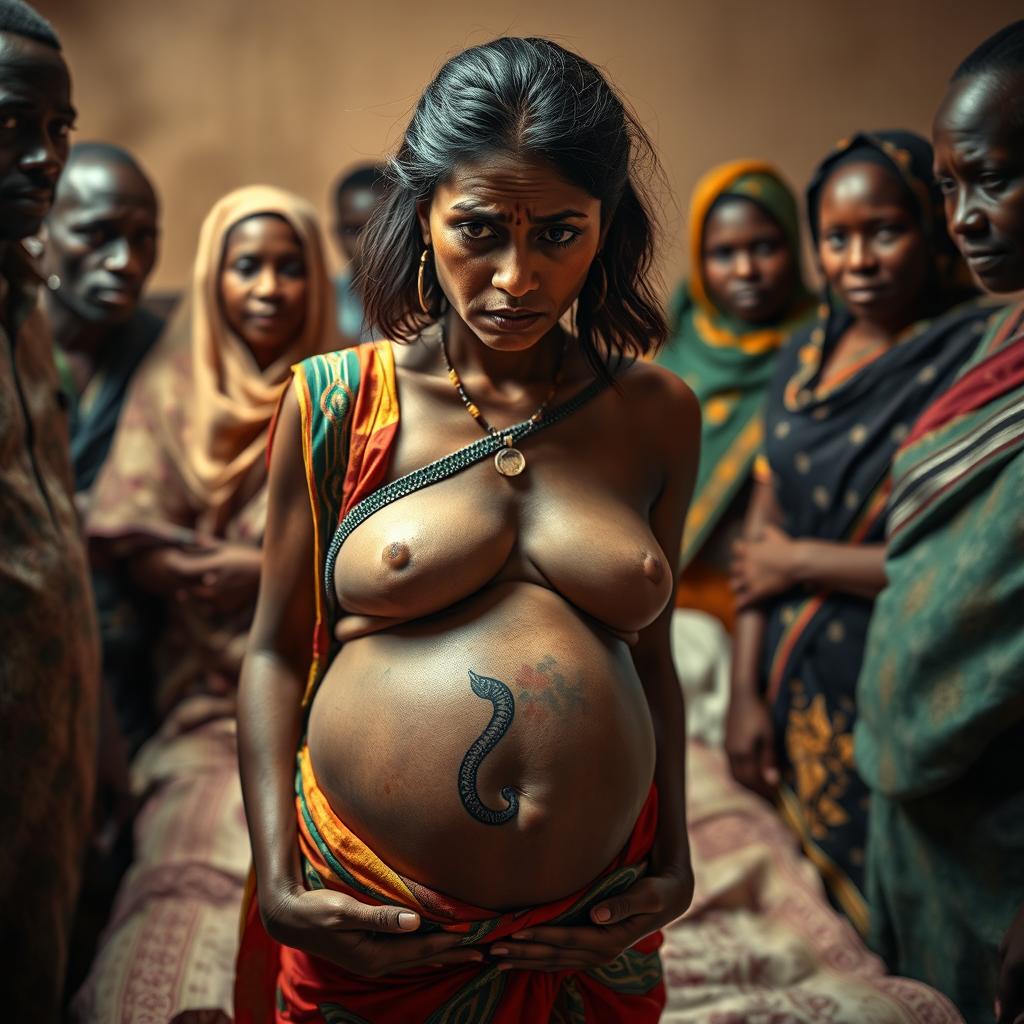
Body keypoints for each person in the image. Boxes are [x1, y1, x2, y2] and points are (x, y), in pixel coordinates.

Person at [235, 36, 697, 1024]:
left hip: (588, 930)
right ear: (424, 214)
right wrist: (276, 882)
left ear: (606, 226)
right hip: (379, 928)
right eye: (479, 230)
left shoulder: (657, 415)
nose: (516, 277)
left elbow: (651, 659)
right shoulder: (333, 404)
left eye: (559, 234)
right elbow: (274, 651)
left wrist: (677, 863)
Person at [72, 186, 336, 1024]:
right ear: (212, 279)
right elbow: (122, 526)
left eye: (290, 268)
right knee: (187, 868)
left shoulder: (349, 393)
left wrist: (265, 570)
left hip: (330, 701)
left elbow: (389, 545)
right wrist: (184, 567)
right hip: (201, 700)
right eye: (245, 267)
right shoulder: (174, 389)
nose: (267, 288)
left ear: (317, 281)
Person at [725, 130, 996, 934]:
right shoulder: (807, 349)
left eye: (886, 230)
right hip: (789, 676)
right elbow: (756, 546)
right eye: (837, 239)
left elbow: (965, 564)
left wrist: (802, 561)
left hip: (904, 680)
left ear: (933, 226)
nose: (860, 260)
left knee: (904, 921)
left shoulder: (974, 358)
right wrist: (744, 693)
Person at [854, 22, 1024, 1023]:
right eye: (949, 189)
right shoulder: (996, 336)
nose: (962, 219)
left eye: (992, 179)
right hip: (928, 816)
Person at [0, 3, 98, 1021]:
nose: (43, 157)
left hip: (49, 737)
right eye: (13, 123)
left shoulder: (27, 301)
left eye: (58, 129)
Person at [39, 140, 163, 752]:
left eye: (145, 239)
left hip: (134, 652)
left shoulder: (162, 351)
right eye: (99, 234)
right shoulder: (16, 347)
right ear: (42, 230)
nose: (126, 261)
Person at [657, 160, 813, 630]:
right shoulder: (672, 351)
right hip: (664, 602)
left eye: (765, 247)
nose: (746, 270)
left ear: (794, 245)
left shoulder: (825, 347)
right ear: (700, 264)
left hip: (772, 603)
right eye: (723, 254)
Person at [330, 162, 384, 343]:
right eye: (353, 230)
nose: (366, 244)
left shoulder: (434, 306)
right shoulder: (322, 304)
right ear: (336, 234)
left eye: (381, 229)